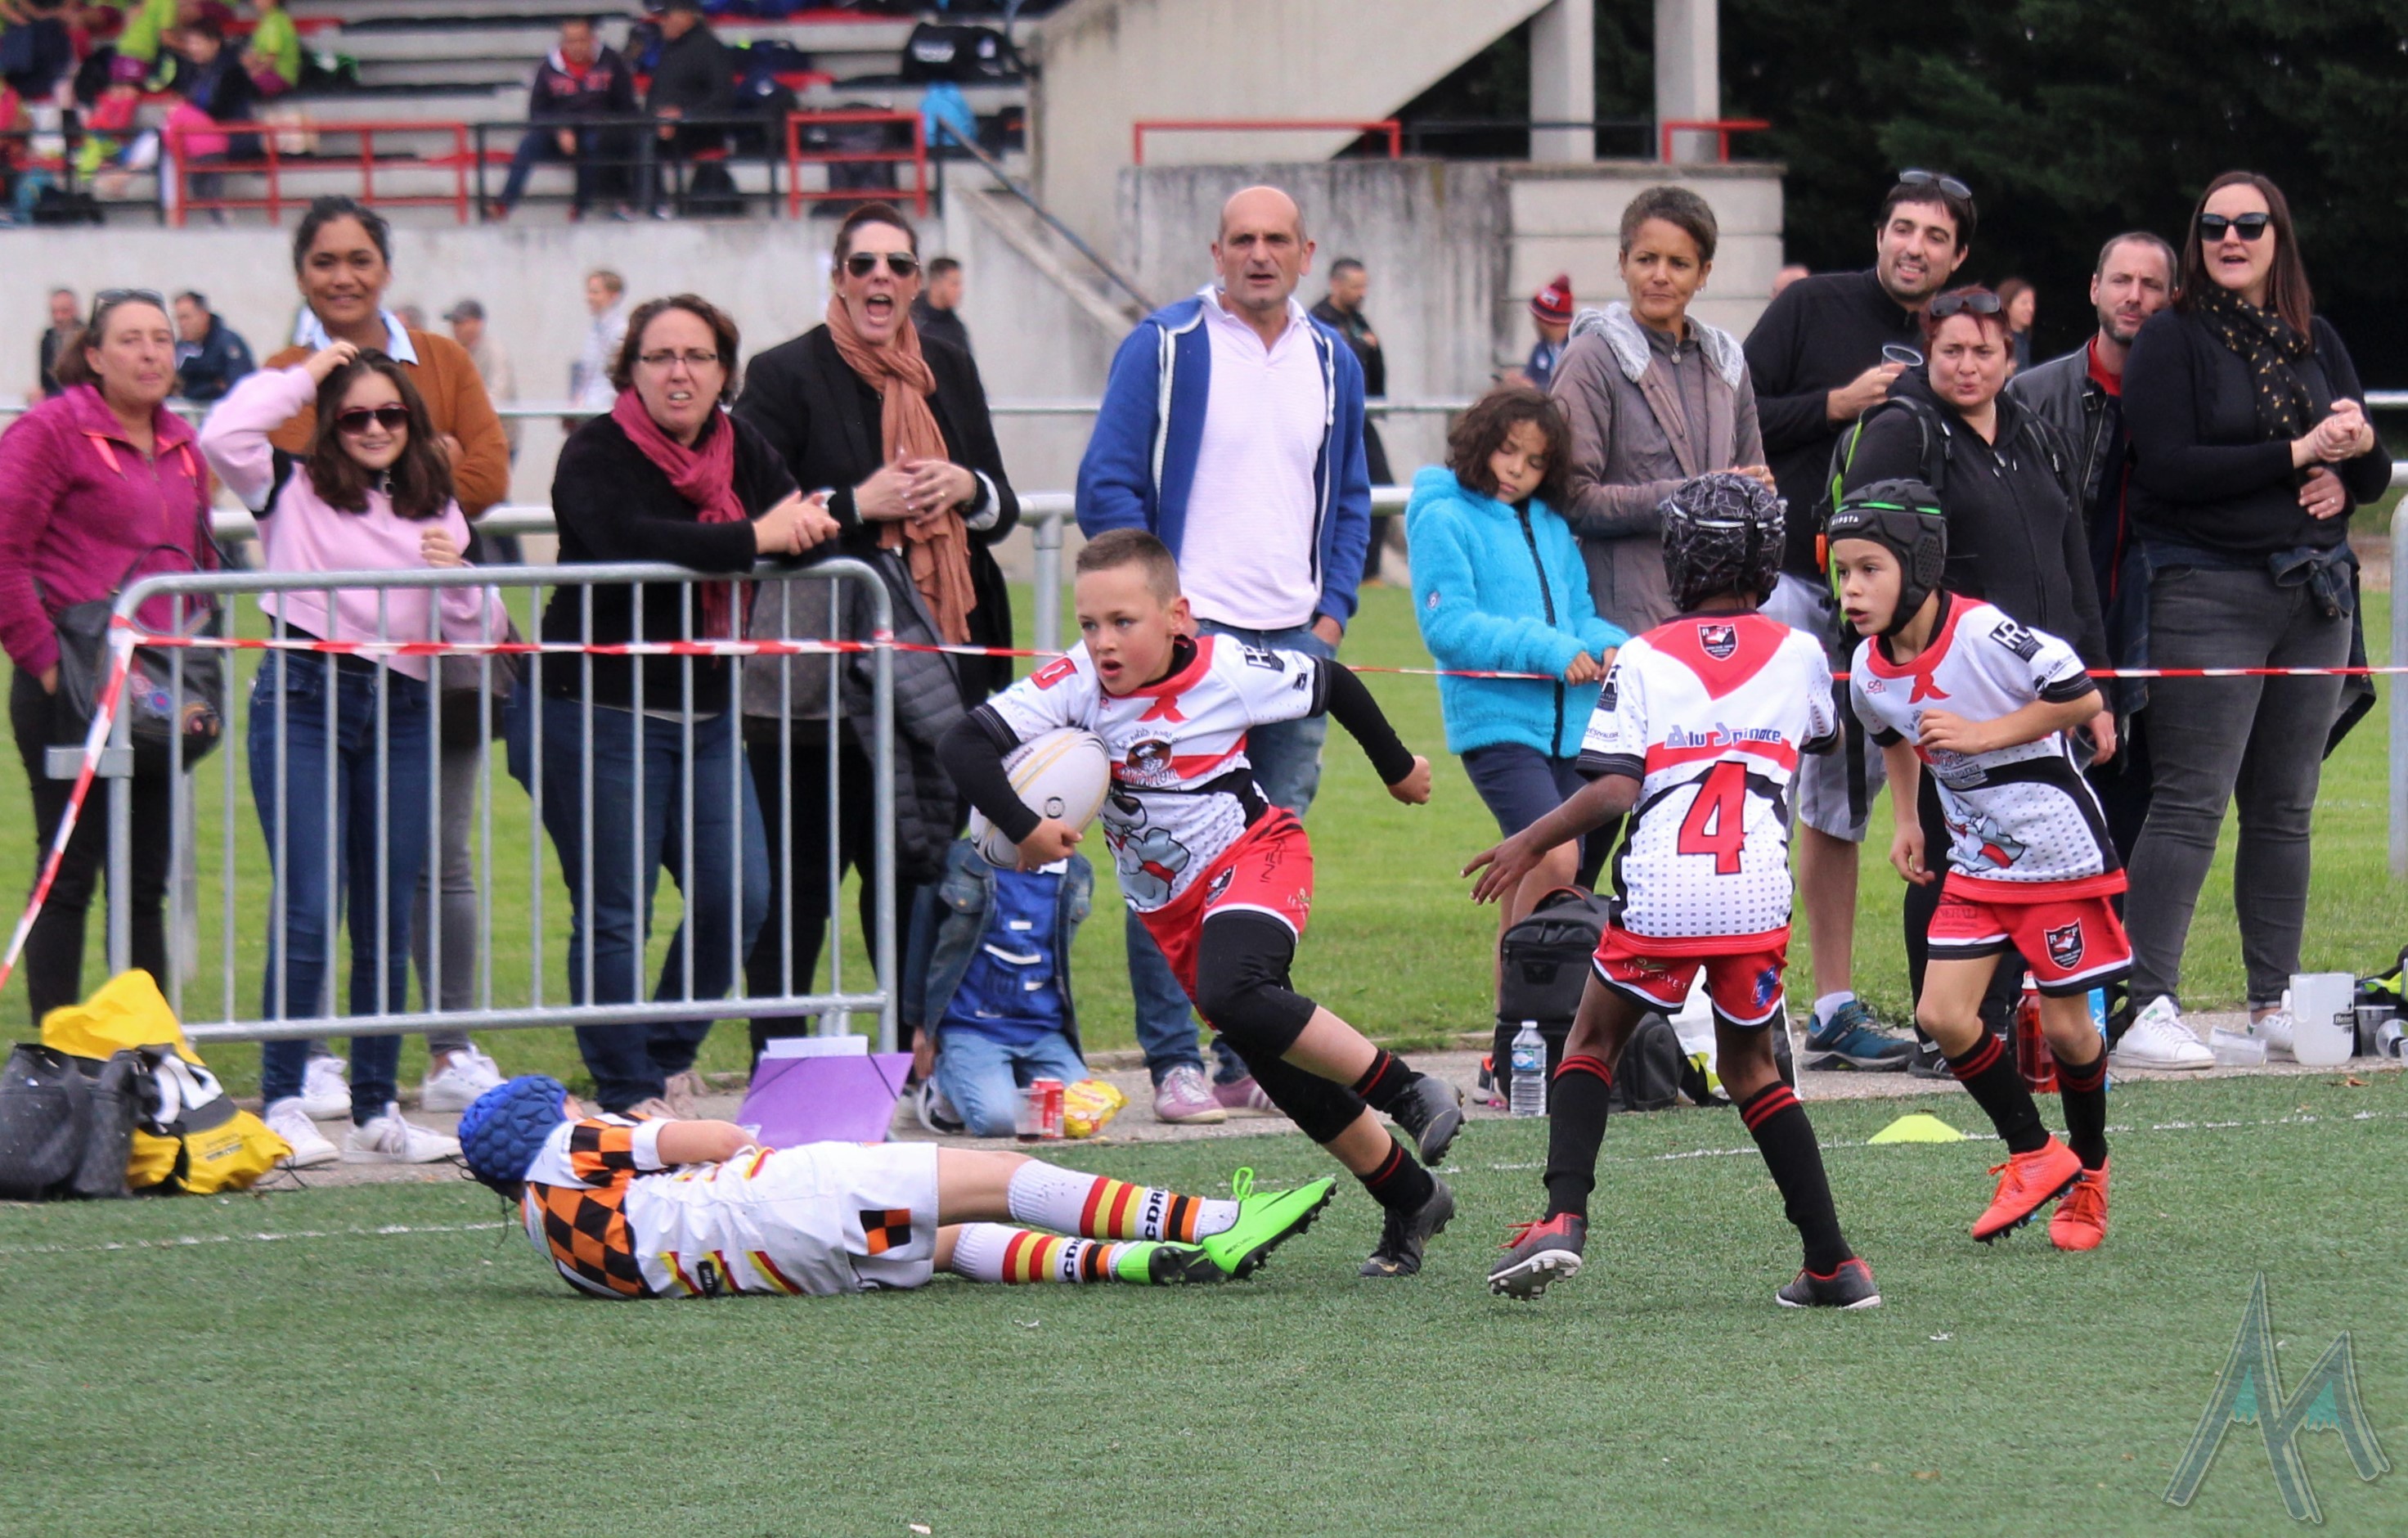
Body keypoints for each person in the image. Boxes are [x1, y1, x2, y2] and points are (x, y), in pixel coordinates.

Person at [941, 530, 1462, 1279]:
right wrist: (1024, 827)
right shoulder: (1074, 684)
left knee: (1235, 991)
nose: (1103, 642)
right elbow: (964, 744)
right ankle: (1411, 1196)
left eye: (1124, 621)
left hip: (1256, 855)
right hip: (1172, 909)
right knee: (1279, 1065)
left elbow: (1334, 683)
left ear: (1177, 617)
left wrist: (1397, 767)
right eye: (1090, 624)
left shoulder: (1227, 670)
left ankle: (1409, 1091)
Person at [1472, 474, 1877, 1311]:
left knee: (1590, 1041)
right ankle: (1832, 1262)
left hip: (1664, 893)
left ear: (1678, 556)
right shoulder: (1802, 652)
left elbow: (1616, 789)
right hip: (1754, 895)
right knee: (1752, 1070)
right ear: (1766, 557)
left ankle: (1561, 1216)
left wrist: (1529, 840)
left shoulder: (1644, 655)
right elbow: (1824, 735)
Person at [1075, 184, 1374, 1126]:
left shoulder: (1332, 357)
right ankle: (1173, 1062)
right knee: (1169, 859)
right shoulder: (1165, 345)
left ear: (1305, 252)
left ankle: (1244, 1056)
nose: (1258, 254)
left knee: (1265, 863)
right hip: (1186, 654)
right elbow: (1106, 484)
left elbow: (1351, 495)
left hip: (1291, 652)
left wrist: (1331, 616)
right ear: (1216, 251)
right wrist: (1154, 622)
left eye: (1276, 239)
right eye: (1241, 238)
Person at [507, 293, 838, 1117]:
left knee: (741, 897)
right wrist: (754, 539)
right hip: (597, 711)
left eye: (697, 356)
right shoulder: (595, 451)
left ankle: (658, 1057)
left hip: (706, 713)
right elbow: (636, 539)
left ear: (724, 372)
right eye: (660, 357)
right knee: (616, 913)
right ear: (632, 370)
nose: (679, 372)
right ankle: (626, 1087)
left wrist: (790, 530)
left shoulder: (741, 447)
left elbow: (798, 520)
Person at [199, 341, 498, 1167]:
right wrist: (303, 376)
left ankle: (376, 1108)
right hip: (304, 695)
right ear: (330, 422)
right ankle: (284, 1100)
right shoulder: (288, 485)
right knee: (307, 902)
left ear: (412, 419)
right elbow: (222, 435)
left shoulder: (435, 505)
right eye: (355, 414)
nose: (373, 427)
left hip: (402, 704)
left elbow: (481, 628)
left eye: (389, 413)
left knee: (384, 910)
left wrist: (459, 574)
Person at [731, 201, 1018, 1062]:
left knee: (917, 872)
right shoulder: (782, 373)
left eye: (898, 264)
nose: (881, 278)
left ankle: (905, 1058)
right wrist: (859, 503)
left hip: (938, 673)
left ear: (916, 281)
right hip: (816, 688)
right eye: (864, 264)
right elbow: (754, 513)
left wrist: (965, 487)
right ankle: (779, 1064)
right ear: (838, 277)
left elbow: (1001, 505)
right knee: (798, 885)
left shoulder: (948, 366)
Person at [2118, 171, 2390, 1064]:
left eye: (2249, 224)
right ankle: (2147, 1004)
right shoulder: (2172, 337)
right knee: (2190, 800)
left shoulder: (2315, 337)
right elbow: (2166, 466)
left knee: (2285, 806)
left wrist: (2350, 459)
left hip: (2314, 597)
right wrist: (2296, 452)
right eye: (2213, 225)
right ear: (2195, 239)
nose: (2230, 238)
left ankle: (2273, 999)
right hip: (2205, 590)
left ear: (2279, 236)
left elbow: (2368, 473)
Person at [258, 195, 514, 1115]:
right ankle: (313, 1056)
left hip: (426, 652)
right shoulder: (285, 373)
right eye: (324, 260)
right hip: (321, 662)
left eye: (359, 258)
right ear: (302, 273)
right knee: (316, 878)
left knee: (437, 857)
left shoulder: (442, 359)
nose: (343, 276)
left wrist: (411, 477)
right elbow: (295, 470)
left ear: (385, 267)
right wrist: (404, 462)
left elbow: (488, 469)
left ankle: (447, 1046)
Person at [1831, 490, 2122, 1251]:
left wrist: (1983, 733)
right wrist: (1906, 819)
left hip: (2056, 857)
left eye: (1869, 569)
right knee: (1942, 1017)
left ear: (1919, 567)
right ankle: (2035, 1153)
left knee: (2066, 1030)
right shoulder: (1867, 667)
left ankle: (2091, 1172)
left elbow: (2079, 696)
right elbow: (1890, 733)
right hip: (1975, 862)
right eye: (1843, 572)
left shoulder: (1985, 631)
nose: (1852, 589)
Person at [1834, 287, 2113, 1072]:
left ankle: (2022, 1026)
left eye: (1983, 351)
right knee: (1950, 848)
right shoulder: (1905, 428)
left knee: (2031, 851)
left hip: (2042, 681)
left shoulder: (2038, 433)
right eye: (1951, 350)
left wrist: (2095, 688)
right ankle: (1949, 1033)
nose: (1967, 366)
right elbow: (1860, 551)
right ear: (1928, 354)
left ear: (2009, 358)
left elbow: (2073, 557)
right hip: (1948, 677)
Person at [1742, 169, 1972, 1072]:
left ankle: (1832, 1005)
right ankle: (1736, 1000)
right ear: (1879, 234)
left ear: (1959, 255)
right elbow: (1736, 412)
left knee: (1845, 802)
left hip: (1899, 611)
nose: (1915, 247)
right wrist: (1835, 405)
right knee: (1756, 788)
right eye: (1903, 228)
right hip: (1790, 585)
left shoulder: (1956, 340)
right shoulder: (1812, 307)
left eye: (1936, 236)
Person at [456, 1073, 1338, 1297]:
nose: (583, 1106)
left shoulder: (547, 1234)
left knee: (944, 1242)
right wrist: (661, 1131)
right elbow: (716, 1139)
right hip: (789, 1194)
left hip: (784, 1264)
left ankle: (1132, 1263)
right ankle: (1209, 1219)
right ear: (548, 1117)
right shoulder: (568, 1144)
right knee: (1004, 1175)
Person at [0, 290, 216, 1023]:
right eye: (130, 339)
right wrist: (47, 664)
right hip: (69, 686)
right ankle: (59, 1054)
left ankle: (146, 1050)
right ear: (93, 355)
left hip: (157, 692)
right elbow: (5, 552)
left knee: (145, 883)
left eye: (162, 339)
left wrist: (195, 656)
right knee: (68, 874)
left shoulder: (183, 443)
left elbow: (198, 560)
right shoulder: (50, 430)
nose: (151, 353)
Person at [1406, 385, 1624, 1020]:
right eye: (1507, 451)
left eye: (1534, 462)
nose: (1516, 471)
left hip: (1574, 729)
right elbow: (1449, 627)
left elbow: (1580, 614)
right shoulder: (1442, 515)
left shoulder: (1550, 524)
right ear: (1480, 442)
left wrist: (1612, 647)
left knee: (1562, 879)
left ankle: (1520, 1035)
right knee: (1553, 854)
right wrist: (1549, 650)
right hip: (1497, 725)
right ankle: (1524, 1025)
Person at [2004, 233, 2177, 902]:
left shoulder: (2189, 400)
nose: (2135, 296)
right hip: (2053, 636)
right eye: (2122, 281)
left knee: (2136, 821)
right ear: (2095, 289)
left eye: (2151, 285)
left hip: (2157, 639)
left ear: (2172, 298)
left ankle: (2122, 960)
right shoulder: (2032, 394)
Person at [1552, 185, 1771, 636]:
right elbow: (1571, 498)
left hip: (1721, 617)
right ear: (1622, 262)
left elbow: (1755, 482)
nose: (1660, 276)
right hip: (1622, 622)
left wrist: (1755, 493)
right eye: (1646, 259)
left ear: (1704, 272)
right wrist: (1688, 498)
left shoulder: (1727, 361)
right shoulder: (1591, 358)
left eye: (1679, 263)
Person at [490, 16, 637, 223]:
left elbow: (625, 104)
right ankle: (504, 204)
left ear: (592, 39)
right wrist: (559, 129)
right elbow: (537, 112)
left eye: (581, 40)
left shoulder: (611, 62)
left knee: (592, 143)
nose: (576, 46)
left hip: (598, 130)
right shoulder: (548, 67)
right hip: (558, 132)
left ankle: (581, 207)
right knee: (529, 144)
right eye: (570, 41)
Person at [1310, 257, 1395, 582]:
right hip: (1328, 420)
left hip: (1360, 419)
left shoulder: (1358, 320)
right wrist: (1360, 345)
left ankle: (1369, 572)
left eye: (1364, 286)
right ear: (1336, 285)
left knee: (1383, 488)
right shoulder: (1319, 321)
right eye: (1355, 287)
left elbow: (1373, 368)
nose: (1362, 293)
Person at [642, 0, 730, 218]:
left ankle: (653, 205)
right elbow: (655, 95)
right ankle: (645, 205)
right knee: (632, 138)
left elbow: (723, 98)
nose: (662, 23)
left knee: (645, 142)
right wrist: (658, 118)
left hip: (699, 132)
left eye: (666, 16)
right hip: (663, 132)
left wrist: (683, 117)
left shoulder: (710, 49)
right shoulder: (669, 50)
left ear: (686, 16)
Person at [444, 298, 519, 462]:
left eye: (461, 322)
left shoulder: (495, 353)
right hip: (467, 442)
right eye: (454, 323)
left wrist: (464, 410)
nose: (456, 328)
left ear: (478, 324)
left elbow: (499, 394)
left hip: (498, 440)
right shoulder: (453, 352)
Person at [169, 289, 252, 402]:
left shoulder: (227, 344)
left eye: (186, 317)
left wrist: (206, 388)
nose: (181, 324)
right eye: (178, 319)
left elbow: (239, 386)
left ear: (204, 315)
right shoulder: (181, 348)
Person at [570, 267, 627, 414]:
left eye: (595, 292)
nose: (589, 298)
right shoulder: (595, 329)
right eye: (588, 292)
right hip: (588, 408)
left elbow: (617, 377)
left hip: (607, 409)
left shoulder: (621, 331)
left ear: (613, 296)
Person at [910, 254, 971, 358]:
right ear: (936, 284)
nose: (960, 291)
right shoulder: (911, 319)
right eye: (954, 284)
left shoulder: (956, 330)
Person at [1522, 273, 1572, 391]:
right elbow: (1529, 378)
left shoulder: (1577, 349)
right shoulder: (1539, 349)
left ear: (1547, 322)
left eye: (1538, 318)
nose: (1535, 323)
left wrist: (1535, 388)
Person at [241, 0, 300, 98]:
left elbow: (271, 58)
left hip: (280, 76)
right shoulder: (266, 20)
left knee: (241, 86)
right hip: (266, 71)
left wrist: (252, 74)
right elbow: (255, 53)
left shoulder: (276, 22)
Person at [35, 286, 75, 398]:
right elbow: (45, 380)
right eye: (54, 312)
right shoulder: (47, 339)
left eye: (64, 311)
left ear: (74, 310)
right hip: (54, 397)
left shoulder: (87, 338)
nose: (59, 317)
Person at [1997, 277, 2036, 371]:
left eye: (2032, 303)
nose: (2030, 309)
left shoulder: (2024, 339)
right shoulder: (1996, 339)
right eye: (2024, 303)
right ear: (2007, 305)